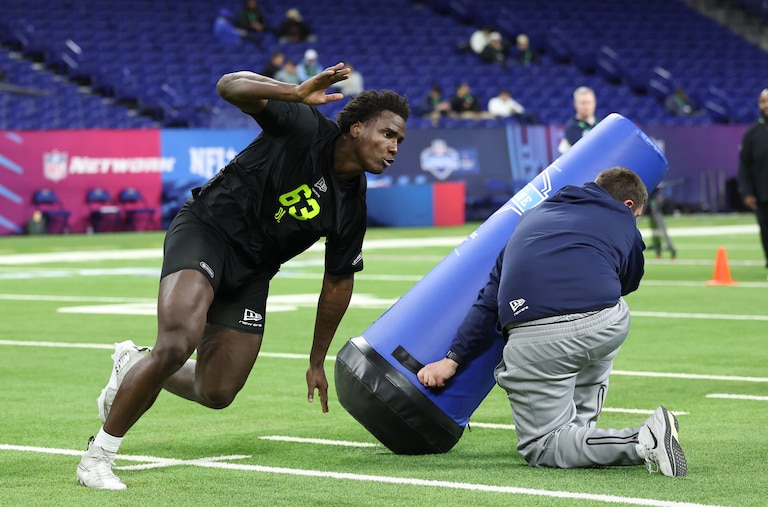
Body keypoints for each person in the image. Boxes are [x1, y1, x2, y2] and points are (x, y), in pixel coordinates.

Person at [76, 62, 410, 490]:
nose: (395, 147)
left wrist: (315, 359)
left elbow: (338, 283)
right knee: (178, 341)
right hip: (207, 232)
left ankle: (133, 362)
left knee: (217, 391)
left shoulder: (353, 207)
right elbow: (228, 86)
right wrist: (294, 91)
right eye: (388, 134)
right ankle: (98, 457)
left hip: (252, 273)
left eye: (399, 140)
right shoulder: (305, 126)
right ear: (357, 128)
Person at [417, 167, 687, 477]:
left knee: (542, 447)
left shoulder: (531, 217)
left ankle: (642, 440)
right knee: (611, 312)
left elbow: (491, 298)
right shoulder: (625, 223)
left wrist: (453, 359)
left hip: (535, 334)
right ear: (629, 206)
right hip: (606, 322)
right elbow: (626, 283)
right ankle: (584, 433)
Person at [737, 88, 768, 269]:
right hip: (763, 193)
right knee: (766, 231)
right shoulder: (752, 134)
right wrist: (747, 192)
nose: (766, 105)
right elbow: (744, 166)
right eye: (763, 102)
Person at [558, 86, 598, 153]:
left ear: (594, 103)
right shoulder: (572, 127)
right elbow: (583, 151)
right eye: (583, 103)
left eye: (589, 102)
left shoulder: (600, 124)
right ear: (576, 104)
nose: (586, 107)